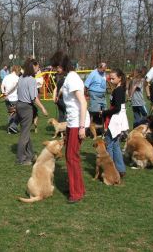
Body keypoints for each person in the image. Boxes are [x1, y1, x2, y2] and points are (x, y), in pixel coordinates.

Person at [60, 54, 90, 203]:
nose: (55, 69)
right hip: (72, 122)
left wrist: (82, 127)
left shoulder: (72, 79)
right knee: (70, 156)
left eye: (57, 66)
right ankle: (76, 187)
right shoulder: (70, 78)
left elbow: (83, 103)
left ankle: (76, 192)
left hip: (78, 123)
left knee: (72, 157)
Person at [16, 59, 48, 165]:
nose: (38, 69)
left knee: (26, 132)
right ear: (33, 67)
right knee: (24, 134)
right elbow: (34, 98)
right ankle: (22, 159)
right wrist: (43, 108)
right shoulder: (31, 80)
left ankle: (30, 155)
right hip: (26, 107)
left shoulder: (21, 78)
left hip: (19, 105)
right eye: (37, 67)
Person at [101, 69, 129, 177]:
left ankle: (110, 170)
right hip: (117, 117)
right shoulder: (119, 89)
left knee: (109, 144)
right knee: (116, 144)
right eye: (110, 78)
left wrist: (105, 112)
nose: (111, 80)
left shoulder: (118, 90)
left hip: (116, 119)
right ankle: (120, 169)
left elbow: (116, 108)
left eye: (113, 78)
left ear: (120, 78)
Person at [1, 65, 21, 134]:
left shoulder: (6, 77)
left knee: (11, 113)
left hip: (7, 98)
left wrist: (4, 93)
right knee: (18, 114)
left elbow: (2, 85)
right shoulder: (17, 78)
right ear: (17, 70)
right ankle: (12, 127)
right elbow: (14, 86)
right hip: (14, 98)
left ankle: (10, 129)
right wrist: (6, 93)